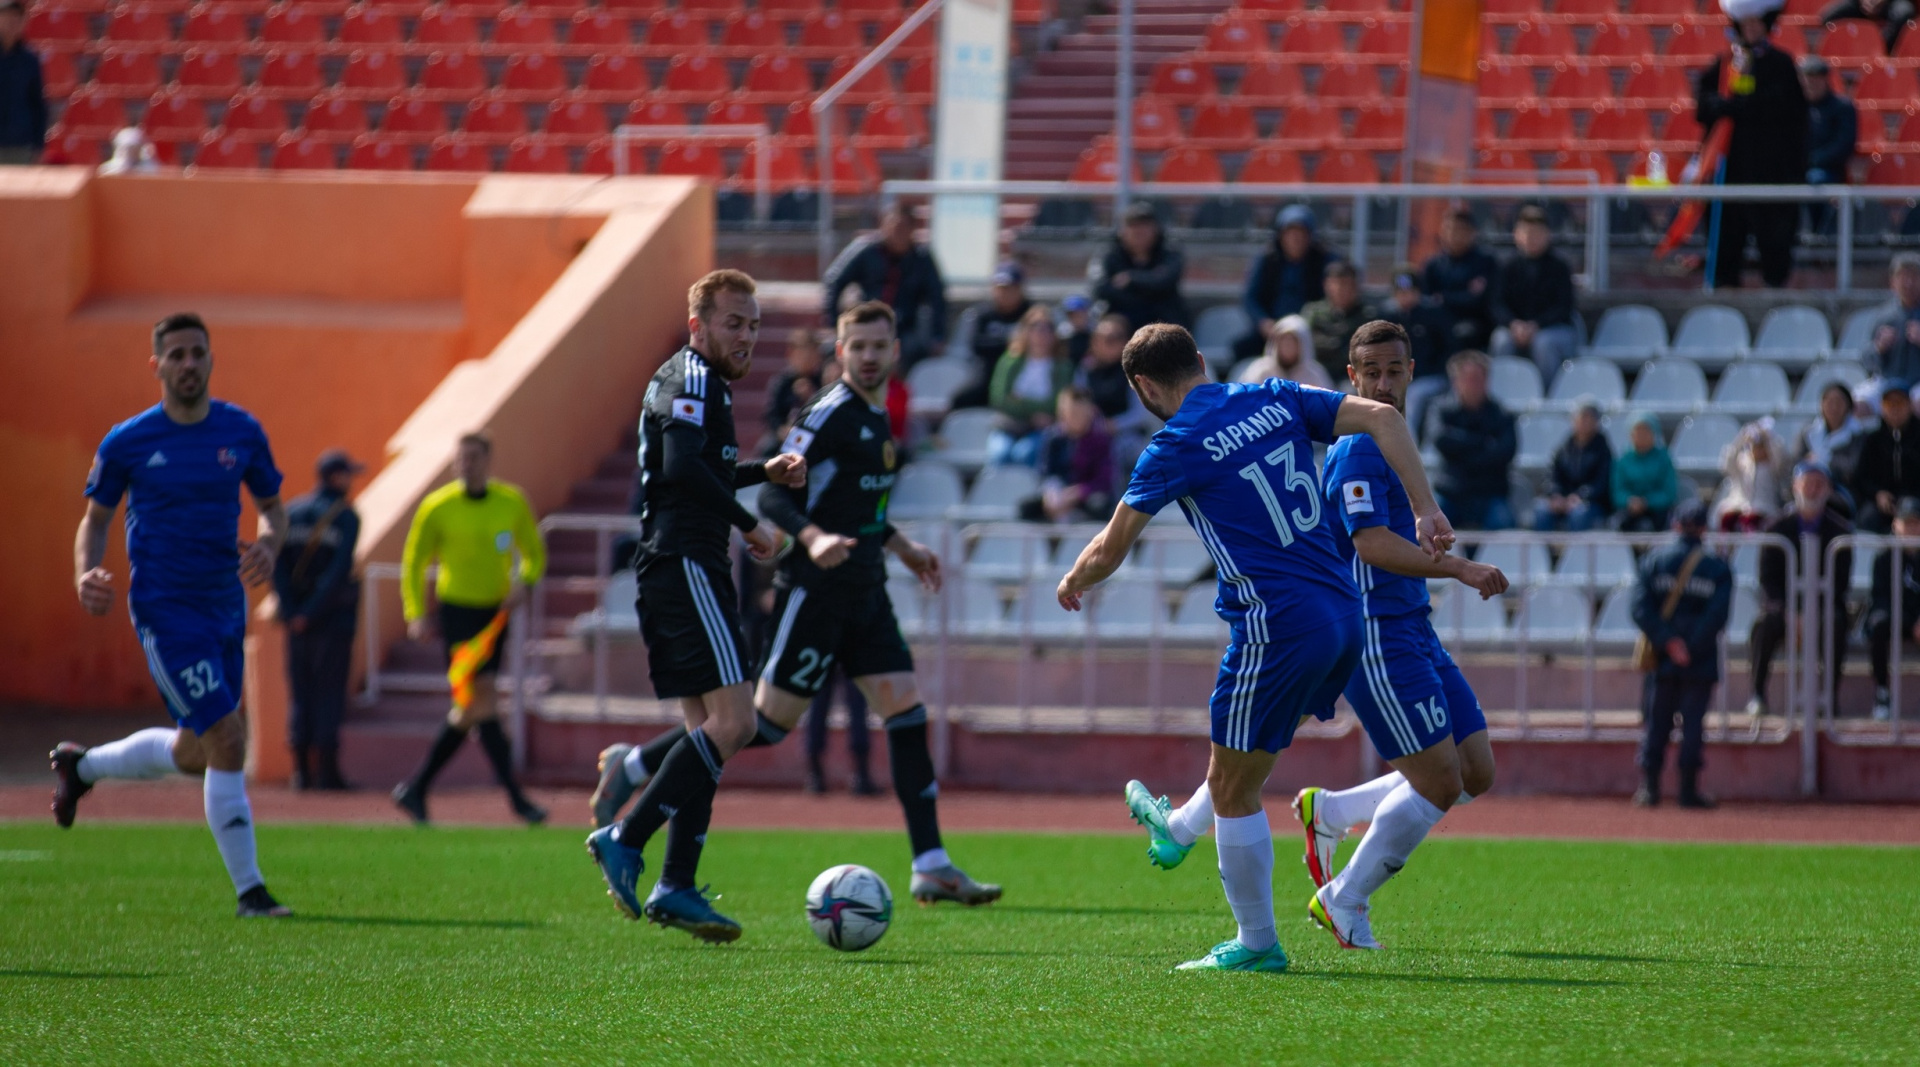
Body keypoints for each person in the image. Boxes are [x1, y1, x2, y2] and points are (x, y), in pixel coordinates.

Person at [1056, 323, 1455, 972]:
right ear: (1201, 360)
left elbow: (1109, 547)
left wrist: (1073, 580)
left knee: (1235, 787)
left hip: (1276, 626)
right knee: (1243, 759)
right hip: (1343, 612)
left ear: (1144, 387)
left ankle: (1256, 942)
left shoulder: (1173, 445)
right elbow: (1383, 416)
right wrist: (1426, 508)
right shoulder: (1272, 394)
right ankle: (1179, 828)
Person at [604, 302, 998, 906]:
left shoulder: (879, 415)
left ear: (895, 351)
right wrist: (811, 539)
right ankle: (633, 766)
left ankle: (931, 864)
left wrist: (902, 547)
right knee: (758, 725)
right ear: (840, 352)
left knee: (906, 712)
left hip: (865, 591)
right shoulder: (826, 414)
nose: (869, 356)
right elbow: (775, 499)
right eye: (857, 346)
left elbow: (859, 507)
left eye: (879, 345)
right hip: (814, 592)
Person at [585, 269, 807, 941]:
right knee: (736, 722)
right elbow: (682, 470)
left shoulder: (698, 381)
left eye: (753, 325)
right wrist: (751, 523)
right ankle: (626, 837)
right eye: (733, 322)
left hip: (677, 563)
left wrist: (761, 470)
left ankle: (676, 884)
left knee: (705, 732)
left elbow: (692, 464)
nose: (746, 335)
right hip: (686, 562)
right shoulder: (694, 377)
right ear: (698, 325)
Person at [52, 312, 294, 918]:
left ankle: (82, 767)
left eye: (197, 353)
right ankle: (251, 892)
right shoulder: (129, 441)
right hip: (166, 611)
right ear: (156, 365)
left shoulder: (241, 431)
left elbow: (273, 508)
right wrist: (86, 571)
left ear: (211, 360)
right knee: (229, 737)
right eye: (177, 354)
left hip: (225, 606)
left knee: (197, 752)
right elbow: (96, 519)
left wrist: (269, 544)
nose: (189, 363)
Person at [392, 432, 548, 826]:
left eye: (474, 457)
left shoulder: (511, 502)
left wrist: (525, 582)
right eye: (461, 458)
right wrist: (415, 612)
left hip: (494, 616)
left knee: (473, 708)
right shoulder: (437, 506)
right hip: (457, 614)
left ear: (488, 460)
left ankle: (416, 788)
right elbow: (414, 561)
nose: (467, 465)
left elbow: (534, 553)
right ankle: (516, 799)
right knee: (482, 700)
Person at [1696, 0, 1808, 290]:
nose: (1752, 30)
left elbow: (1786, 109)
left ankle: (1775, 289)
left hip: (1772, 169)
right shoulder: (1724, 63)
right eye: (1746, 24)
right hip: (1730, 168)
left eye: (1757, 24)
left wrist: (1738, 107)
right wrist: (1725, 105)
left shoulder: (1781, 64)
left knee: (1774, 238)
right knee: (1727, 236)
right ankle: (1723, 287)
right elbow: (1704, 107)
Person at [1631, 499, 1734, 809]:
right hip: (1699, 659)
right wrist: (1689, 646)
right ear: (1704, 528)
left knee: (1656, 723)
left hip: (1663, 658)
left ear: (1675, 525)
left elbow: (1640, 608)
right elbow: (1717, 616)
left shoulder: (1653, 561)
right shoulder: (1718, 568)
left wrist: (1669, 642)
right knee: (1693, 726)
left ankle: (1650, 789)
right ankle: (1688, 792)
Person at [273, 449, 364, 792]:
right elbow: (338, 572)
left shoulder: (291, 511)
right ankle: (327, 773)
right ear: (335, 477)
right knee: (329, 693)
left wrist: (292, 611)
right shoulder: (346, 517)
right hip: (331, 619)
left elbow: (278, 566)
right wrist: (311, 612)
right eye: (347, 475)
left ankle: (300, 772)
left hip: (297, 619)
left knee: (301, 693)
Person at [1750, 461, 1853, 716]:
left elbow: (1840, 584)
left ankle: (1829, 697)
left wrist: (1812, 612)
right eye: (1808, 484)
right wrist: (1789, 612)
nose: (1813, 490)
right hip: (1784, 606)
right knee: (1763, 624)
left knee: (1835, 623)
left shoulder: (1840, 531)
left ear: (1828, 490)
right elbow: (1768, 580)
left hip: (1823, 606)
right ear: (1795, 486)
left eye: (1819, 485)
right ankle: (1757, 694)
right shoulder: (1775, 527)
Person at [822, 202, 948, 367]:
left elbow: (937, 297)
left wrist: (938, 335)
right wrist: (833, 322)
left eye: (902, 228)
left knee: (912, 353)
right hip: (865, 321)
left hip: (903, 327)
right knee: (833, 352)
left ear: (912, 231)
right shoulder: (866, 250)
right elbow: (834, 279)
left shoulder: (921, 259)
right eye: (892, 227)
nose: (896, 233)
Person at [1430, 350, 1518, 530]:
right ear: (1456, 381)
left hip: (1490, 493)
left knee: (1504, 526)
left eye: (1478, 379)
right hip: (1451, 492)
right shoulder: (1441, 409)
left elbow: (1506, 451)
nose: (1474, 385)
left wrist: (1461, 449)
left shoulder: (1502, 414)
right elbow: (1440, 439)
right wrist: (1483, 443)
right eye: (1468, 379)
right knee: (1428, 526)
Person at [1489, 206, 1578, 383]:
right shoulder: (1506, 267)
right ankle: (1502, 388)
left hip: (1553, 329)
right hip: (1514, 328)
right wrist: (1513, 324)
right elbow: (1496, 304)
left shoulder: (1560, 267)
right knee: (1501, 341)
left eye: (1537, 233)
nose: (1531, 238)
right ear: (1516, 235)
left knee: (1543, 343)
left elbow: (1564, 307)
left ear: (1547, 235)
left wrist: (1536, 325)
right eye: (1526, 232)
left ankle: (1547, 393)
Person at [1235, 203, 1335, 360]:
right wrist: (1263, 322)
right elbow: (1250, 298)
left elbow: (1332, 297)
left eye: (1301, 233)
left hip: (1312, 331)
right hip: (1272, 330)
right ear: (1280, 236)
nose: (1296, 239)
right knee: (1241, 348)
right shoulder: (1267, 260)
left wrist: (1310, 326)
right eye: (1290, 233)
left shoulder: (1324, 261)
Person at [989, 304, 1075, 466]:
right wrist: (1034, 414)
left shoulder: (1063, 367)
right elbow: (999, 398)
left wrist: (1019, 400)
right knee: (1000, 454)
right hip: (1009, 426)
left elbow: (1057, 403)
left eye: (1047, 328)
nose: (1041, 333)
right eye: (1035, 327)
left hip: (1043, 430)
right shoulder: (1009, 361)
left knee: (1024, 453)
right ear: (1025, 331)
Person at [1023, 386, 1116, 524]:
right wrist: (1051, 492)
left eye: (1079, 413)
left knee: (1100, 506)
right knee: (1027, 508)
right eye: (1070, 413)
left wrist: (1078, 492)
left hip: (1086, 497)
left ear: (1090, 412)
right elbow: (1045, 472)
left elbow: (1104, 480)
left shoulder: (1101, 439)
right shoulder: (1053, 438)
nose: (1075, 418)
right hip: (1059, 494)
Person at [1090, 201, 1190, 330]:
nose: (1139, 233)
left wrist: (1131, 278)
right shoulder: (1109, 254)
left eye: (1144, 227)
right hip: (1122, 319)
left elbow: (1166, 280)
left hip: (1161, 319)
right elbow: (1100, 287)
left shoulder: (1170, 252)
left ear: (1155, 229)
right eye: (1133, 227)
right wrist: (1147, 289)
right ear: (1122, 231)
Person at [1866, 496, 1920, 721]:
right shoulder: (1884, 557)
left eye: (1916, 523)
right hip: (1896, 617)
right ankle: (1882, 692)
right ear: (1895, 525)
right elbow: (1880, 597)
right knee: (1878, 624)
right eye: (1906, 523)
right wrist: (1906, 619)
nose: (1911, 529)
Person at [1383, 265, 1452, 434]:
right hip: (1396, 376)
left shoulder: (1433, 313)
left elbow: (1449, 349)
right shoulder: (1387, 315)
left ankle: (1408, 445)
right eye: (1400, 292)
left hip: (1431, 376)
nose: (1405, 296)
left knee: (1411, 397)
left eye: (1410, 291)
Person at [1421, 208, 1498, 354]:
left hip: (1474, 322)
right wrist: (1463, 295)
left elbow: (1479, 301)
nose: (1452, 235)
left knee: (1463, 333)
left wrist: (1444, 298)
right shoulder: (1433, 265)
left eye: (1458, 230)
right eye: (1448, 229)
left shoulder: (1485, 262)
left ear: (1472, 233)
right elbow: (1427, 300)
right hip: (1439, 320)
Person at [1852, 379, 1920, 534]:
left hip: (1916, 501)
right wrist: (1878, 494)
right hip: (1883, 503)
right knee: (1866, 519)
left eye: (1899, 403)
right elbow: (1861, 477)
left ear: (1909, 406)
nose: (1895, 409)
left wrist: (1911, 498)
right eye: (1889, 404)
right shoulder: (1872, 439)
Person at [1533, 400, 1612, 532]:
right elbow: (1551, 476)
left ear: (1596, 422)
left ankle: (1578, 547)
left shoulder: (1603, 450)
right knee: (1541, 511)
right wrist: (1556, 494)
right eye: (1581, 417)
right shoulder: (1563, 448)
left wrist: (1580, 496)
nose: (1584, 422)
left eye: (1589, 418)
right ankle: (1545, 546)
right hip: (1563, 500)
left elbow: (1602, 482)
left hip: (1591, 502)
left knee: (1578, 515)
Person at [1799, 55, 1856, 231]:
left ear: (1825, 80)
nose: (1811, 84)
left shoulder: (1842, 108)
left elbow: (1844, 144)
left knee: (1815, 178)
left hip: (1827, 170)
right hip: (1797, 167)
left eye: (1816, 79)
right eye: (1807, 79)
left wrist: (1813, 160)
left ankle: (1817, 235)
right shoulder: (1795, 108)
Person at [1302, 262, 1378, 383]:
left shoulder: (1367, 316)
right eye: (1336, 284)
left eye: (1345, 284)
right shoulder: (1313, 313)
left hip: (1350, 377)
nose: (1340, 289)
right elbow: (1305, 343)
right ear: (1326, 285)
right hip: (1317, 374)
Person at [802, 670, 876, 795]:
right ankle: (861, 777)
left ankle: (815, 776)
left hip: (825, 659)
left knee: (819, 704)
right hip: (852, 659)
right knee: (856, 706)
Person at [1713, 419, 1791, 531]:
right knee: (1728, 518)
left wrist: (1768, 435)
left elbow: (1781, 458)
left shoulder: (1772, 466)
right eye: (1754, 446)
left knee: (1750, 519)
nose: (1757, 450)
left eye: (1761, 446)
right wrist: (1740, 439)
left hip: (1764, 508)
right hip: (1739, 504)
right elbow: (1726, 465)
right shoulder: (1742, 463)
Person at [1794, 380, 1870, 491]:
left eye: (1838, 402)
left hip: (1843, 489)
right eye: (1829, 402)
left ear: (1848, 406)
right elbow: (1796, 463)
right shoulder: (1808, 433)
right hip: (1809, 489)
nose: (1834, 407)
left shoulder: (1859, 435)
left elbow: (1853, 468)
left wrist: (1823, 460)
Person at [1612, 414, 1680, 533]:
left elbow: (1669, 492)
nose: (1641, 435)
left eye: (1645, 431)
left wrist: (1647, 502)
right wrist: (1630, 501)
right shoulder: (1623, 459)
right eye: (1637, 431)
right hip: (1629, 510)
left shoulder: (1663, 458)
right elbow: (1617, 491)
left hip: (1658, 511)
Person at [1233, 313, 1332, 391]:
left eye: (1293, 342)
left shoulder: (1315, 375)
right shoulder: (1260, 371)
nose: (1288, 346)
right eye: (1284, 341)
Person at [0, 1, 46, 165]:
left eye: (17, 17)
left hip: (21, 145)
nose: (12, 22)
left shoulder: (29, 60)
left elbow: (38, 105)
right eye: (7, 17)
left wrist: (39, 146)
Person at [763, 328, 823, 446]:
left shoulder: (821, 381)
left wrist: (811, 396)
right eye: (802, 355)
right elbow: (772, 414)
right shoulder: (782, 382)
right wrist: (781, 430)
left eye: (811, 355)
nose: (807, 360)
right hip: (785, 437)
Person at [1867, 254, 1920, 381]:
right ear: (1893, 282)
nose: (1908, 283)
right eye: (1903, 277)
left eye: (1914, 276)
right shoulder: (1884, 316)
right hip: (1888, 381)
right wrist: (1879, 347)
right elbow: (1867, 360)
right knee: (1860, 394)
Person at [1819, 0, 1915, 52]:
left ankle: (1880, 49)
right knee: (1828, 17)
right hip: (1861, 3)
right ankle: (1849, 47)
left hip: (1891, 2)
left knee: (1903, 13)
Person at [1060, 293, 1094, 363]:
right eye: (1071, 315)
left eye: (1079, 314)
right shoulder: (1062, 335)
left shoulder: (1095, 333)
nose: (1076, 318)